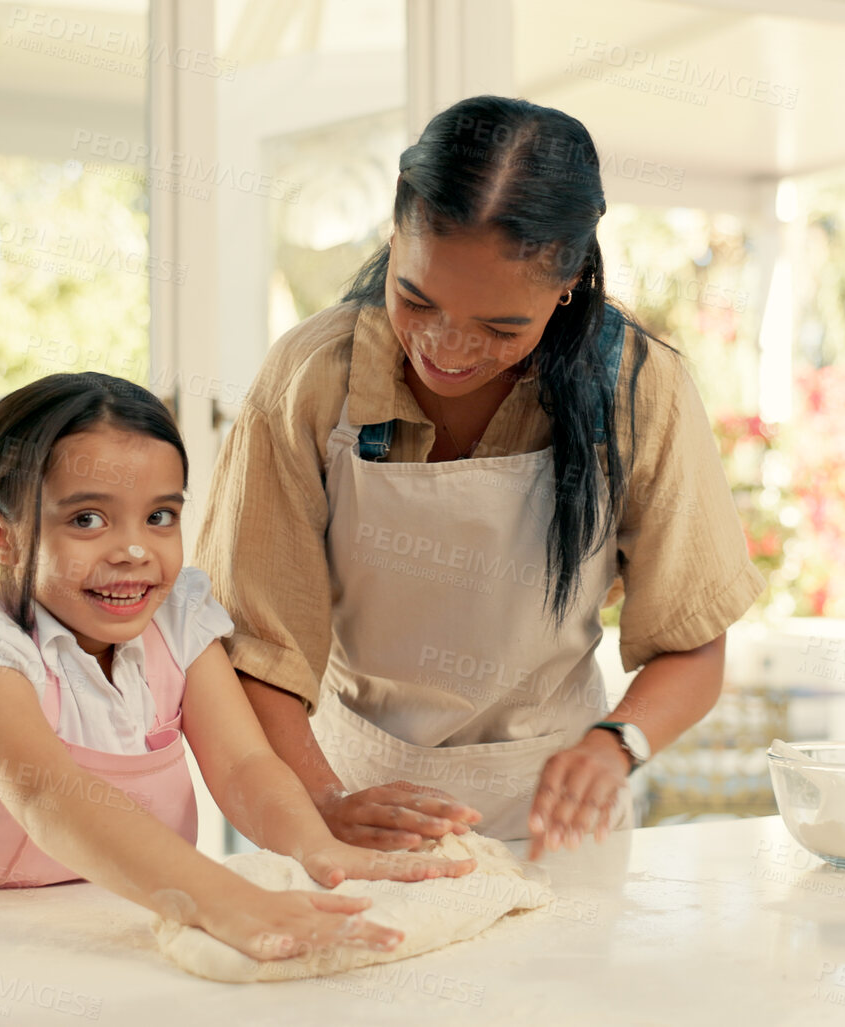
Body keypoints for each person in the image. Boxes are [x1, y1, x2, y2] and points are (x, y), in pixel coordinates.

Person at [196, 96, 765, 861]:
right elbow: (253, 650)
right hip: (343, 795)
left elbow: (691, 641)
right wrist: (324, 800)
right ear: (393, 234)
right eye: (415, 298)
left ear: (566, 282)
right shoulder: (312, 378)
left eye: (502, 326)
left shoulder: (637, 388)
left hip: (555, 817)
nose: (447, 347)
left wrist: (616, 744)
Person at [0, 372, 470, 964]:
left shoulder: (178, 617)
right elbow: (51, 796)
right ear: (1, 534)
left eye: (160, 516)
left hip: (122, 922)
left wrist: (319, 850)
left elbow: (244, 765)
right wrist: (226, 901)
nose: (134, 550)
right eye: (87, 519)